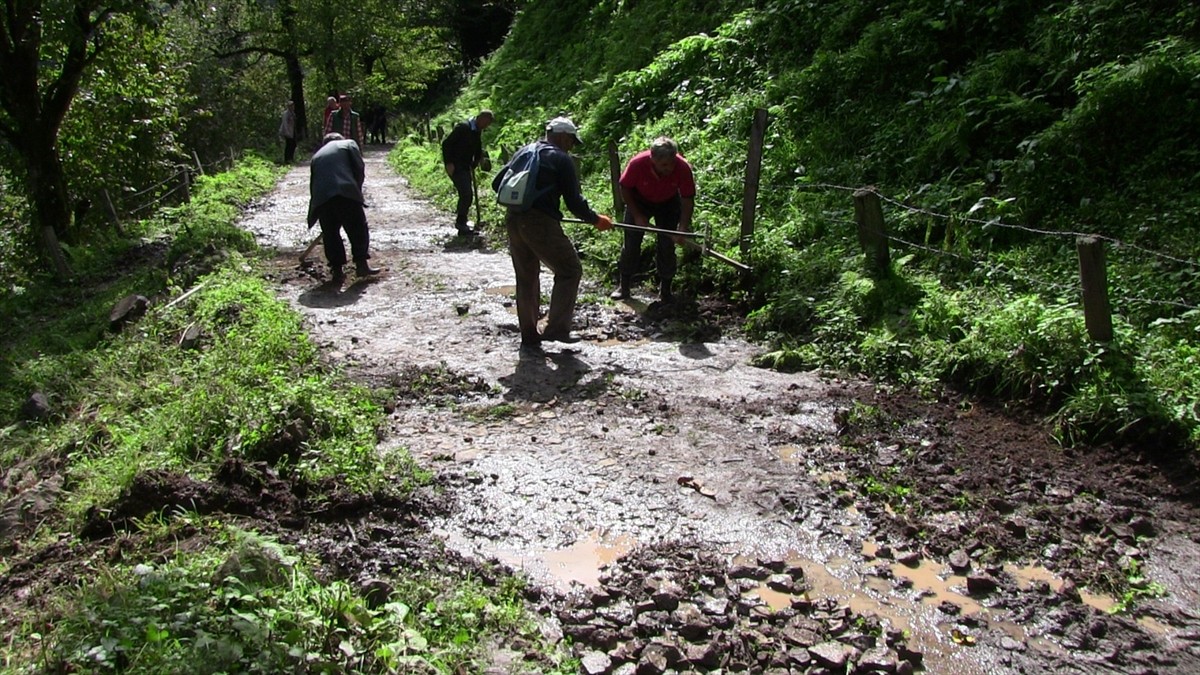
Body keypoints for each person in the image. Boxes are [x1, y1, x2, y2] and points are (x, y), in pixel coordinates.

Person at [492, 117, 613, 354]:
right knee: (570, 270)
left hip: (514, 218)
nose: (571, 146)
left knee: (526, 278)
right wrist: (596, 220)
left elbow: (498, 183)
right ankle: (556, 329)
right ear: (562, 137)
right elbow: (574, 202)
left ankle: (529, 336)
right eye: (571, 141)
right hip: (540, 223)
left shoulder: (524, 151)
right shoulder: (560, 158)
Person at [611, 136, 696, 303]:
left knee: (666, 245)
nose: (669, 168)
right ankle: (624, 286)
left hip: (669, 203)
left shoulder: (682, 167)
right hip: (639, 200)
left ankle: (665, 290)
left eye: (671, 163)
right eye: (664, 165)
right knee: (631, 242)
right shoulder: (638, 164)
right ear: (653, 160)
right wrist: (636, 215)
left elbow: (687, 198)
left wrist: (682, 227)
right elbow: (625, 187)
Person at [306, 133, 380, 282]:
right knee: (357, 227)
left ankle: (337, 269)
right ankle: (361, 264)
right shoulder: (348, 143)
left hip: (322, 197)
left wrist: (316, 211)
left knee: (330, 233)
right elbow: (359, 167)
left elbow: (314, 184)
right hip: (344, 190)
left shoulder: (316, 156)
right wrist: (356, 190)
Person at [442, 110, 494, 236]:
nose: (486, 126)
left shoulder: (476, 130)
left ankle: (462, 222)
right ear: (481, 119)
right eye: (486, 123)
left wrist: (476, 161)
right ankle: (461, 223)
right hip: (456, 166)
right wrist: (449, 163)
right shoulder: (463, 128)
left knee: (466, 194)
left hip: (465, 166)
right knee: (466, 194)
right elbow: (446, 144)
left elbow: (477, 147)